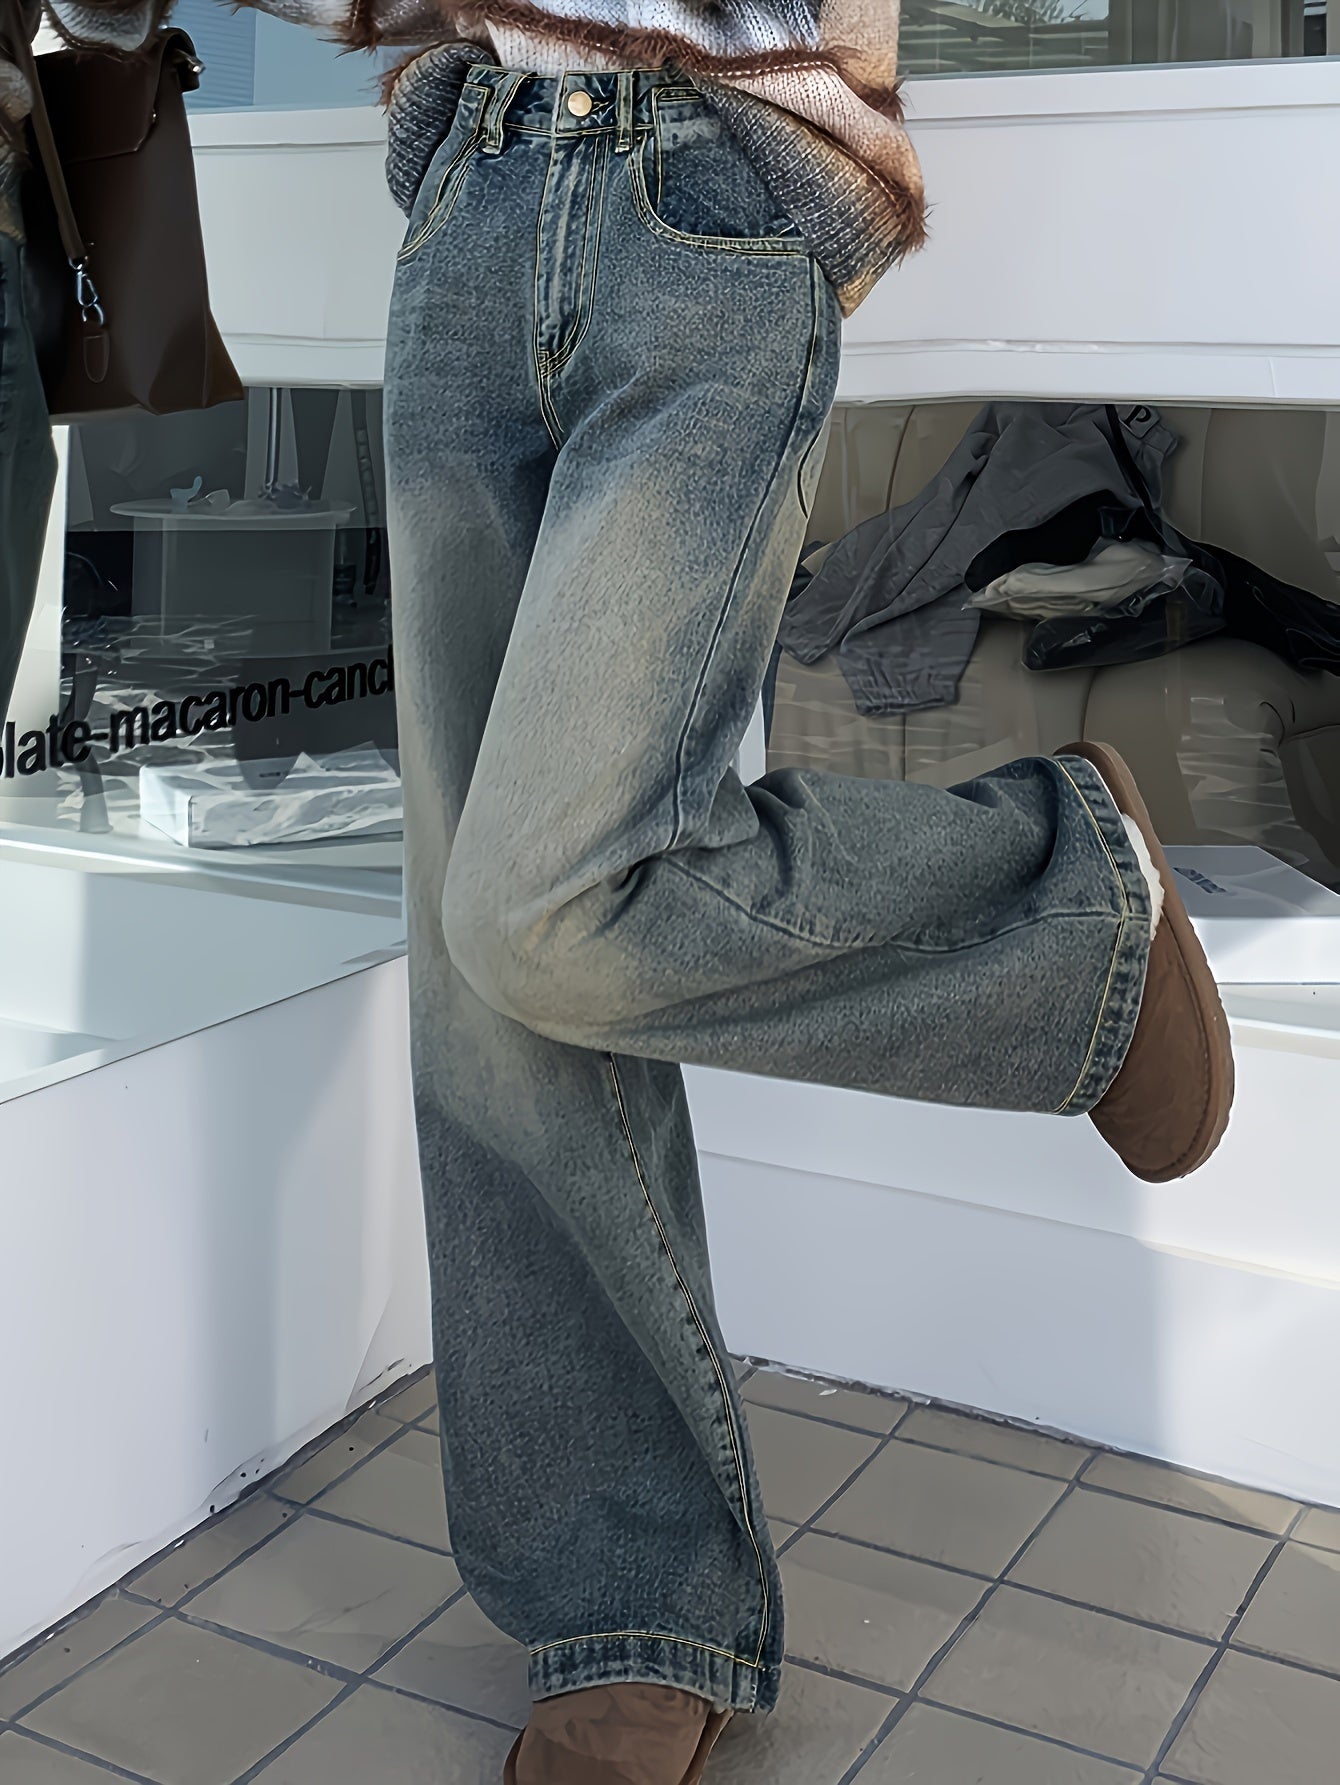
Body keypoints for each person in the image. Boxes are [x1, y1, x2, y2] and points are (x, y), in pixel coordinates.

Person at [1, 5, 1233, 1782]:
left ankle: (1068, 913)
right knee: (487, 984)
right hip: (478, 193)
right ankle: (629, 1601)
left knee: (546, 898)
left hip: (708, 195)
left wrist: (781, 172)